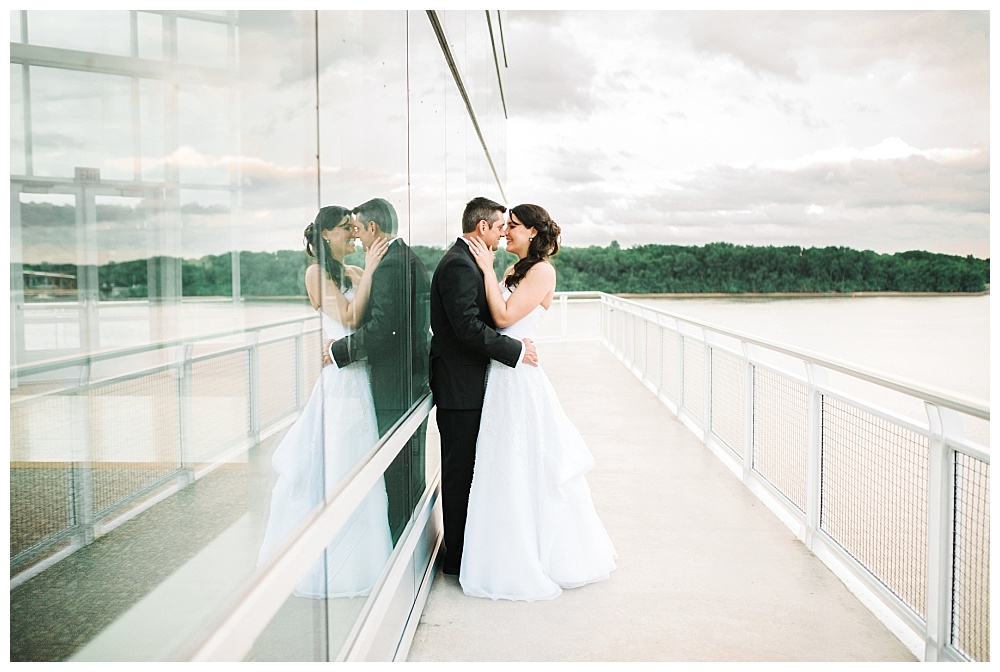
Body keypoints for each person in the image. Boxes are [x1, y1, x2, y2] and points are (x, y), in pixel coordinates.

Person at [461, 203, 617, 601]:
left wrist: (483, 270)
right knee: (501, 463)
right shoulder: (514, 270)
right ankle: (503, 549)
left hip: (520, 381)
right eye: (505, 225)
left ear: (533, 232)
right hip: (502, 376)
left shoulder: (542, 270)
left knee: (526, 462)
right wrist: (492, 272)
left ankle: (540, 555)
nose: (506, 231)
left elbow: (502, 318)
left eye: (513, 226)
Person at [256, 205, 392, 598]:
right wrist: (369, 265)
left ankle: (363, 558)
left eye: (354, 228)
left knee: (358, 460)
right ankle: (325, 561)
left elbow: (371, 315)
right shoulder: (316, 273)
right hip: (339, 382)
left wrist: (367, 270)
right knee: (335, 460)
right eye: (345, 229)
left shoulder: (350, 273)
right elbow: (350, 317)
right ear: (325, 235)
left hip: (360, 376)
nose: (352, 234)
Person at [429, 196, 539, 576]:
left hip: (471, 384)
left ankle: (469, 550)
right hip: (460, 388)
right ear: (482, 228)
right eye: (499, 227)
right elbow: (468, 329)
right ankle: (457, 560)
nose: (503, 232)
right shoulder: (459, 266)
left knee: (473, 471)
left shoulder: (470, 262)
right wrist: (517, 352)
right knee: (460, 474)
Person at [326, 198, 431, 544]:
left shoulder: (390, 266)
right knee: (407, 467)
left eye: (356, 228)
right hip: (408, 376)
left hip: (395, 381)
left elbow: (385, 328)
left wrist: (337, 350)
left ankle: (402, 543)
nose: (355, 234)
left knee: (397, 470)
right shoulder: (402, 259)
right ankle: (408, 541)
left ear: (372, 228)